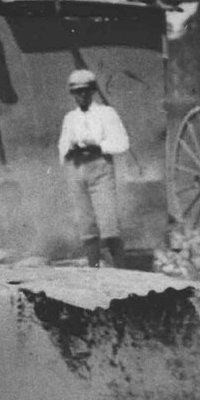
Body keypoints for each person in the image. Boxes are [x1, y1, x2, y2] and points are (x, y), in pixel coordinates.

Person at [57, 68, 130, 268]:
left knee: (109, 223)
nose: (81, 95)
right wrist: (70, 150)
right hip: (77, 169)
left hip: (99, 168)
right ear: (72, 94)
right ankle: (94, 269)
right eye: (76, 91)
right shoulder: (70, 118)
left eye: (85, 90)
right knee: (85, 223)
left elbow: (122, 143)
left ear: (93, 91)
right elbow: (62, 146)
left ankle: (121, 271)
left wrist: (98, 146)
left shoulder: (106, 113)